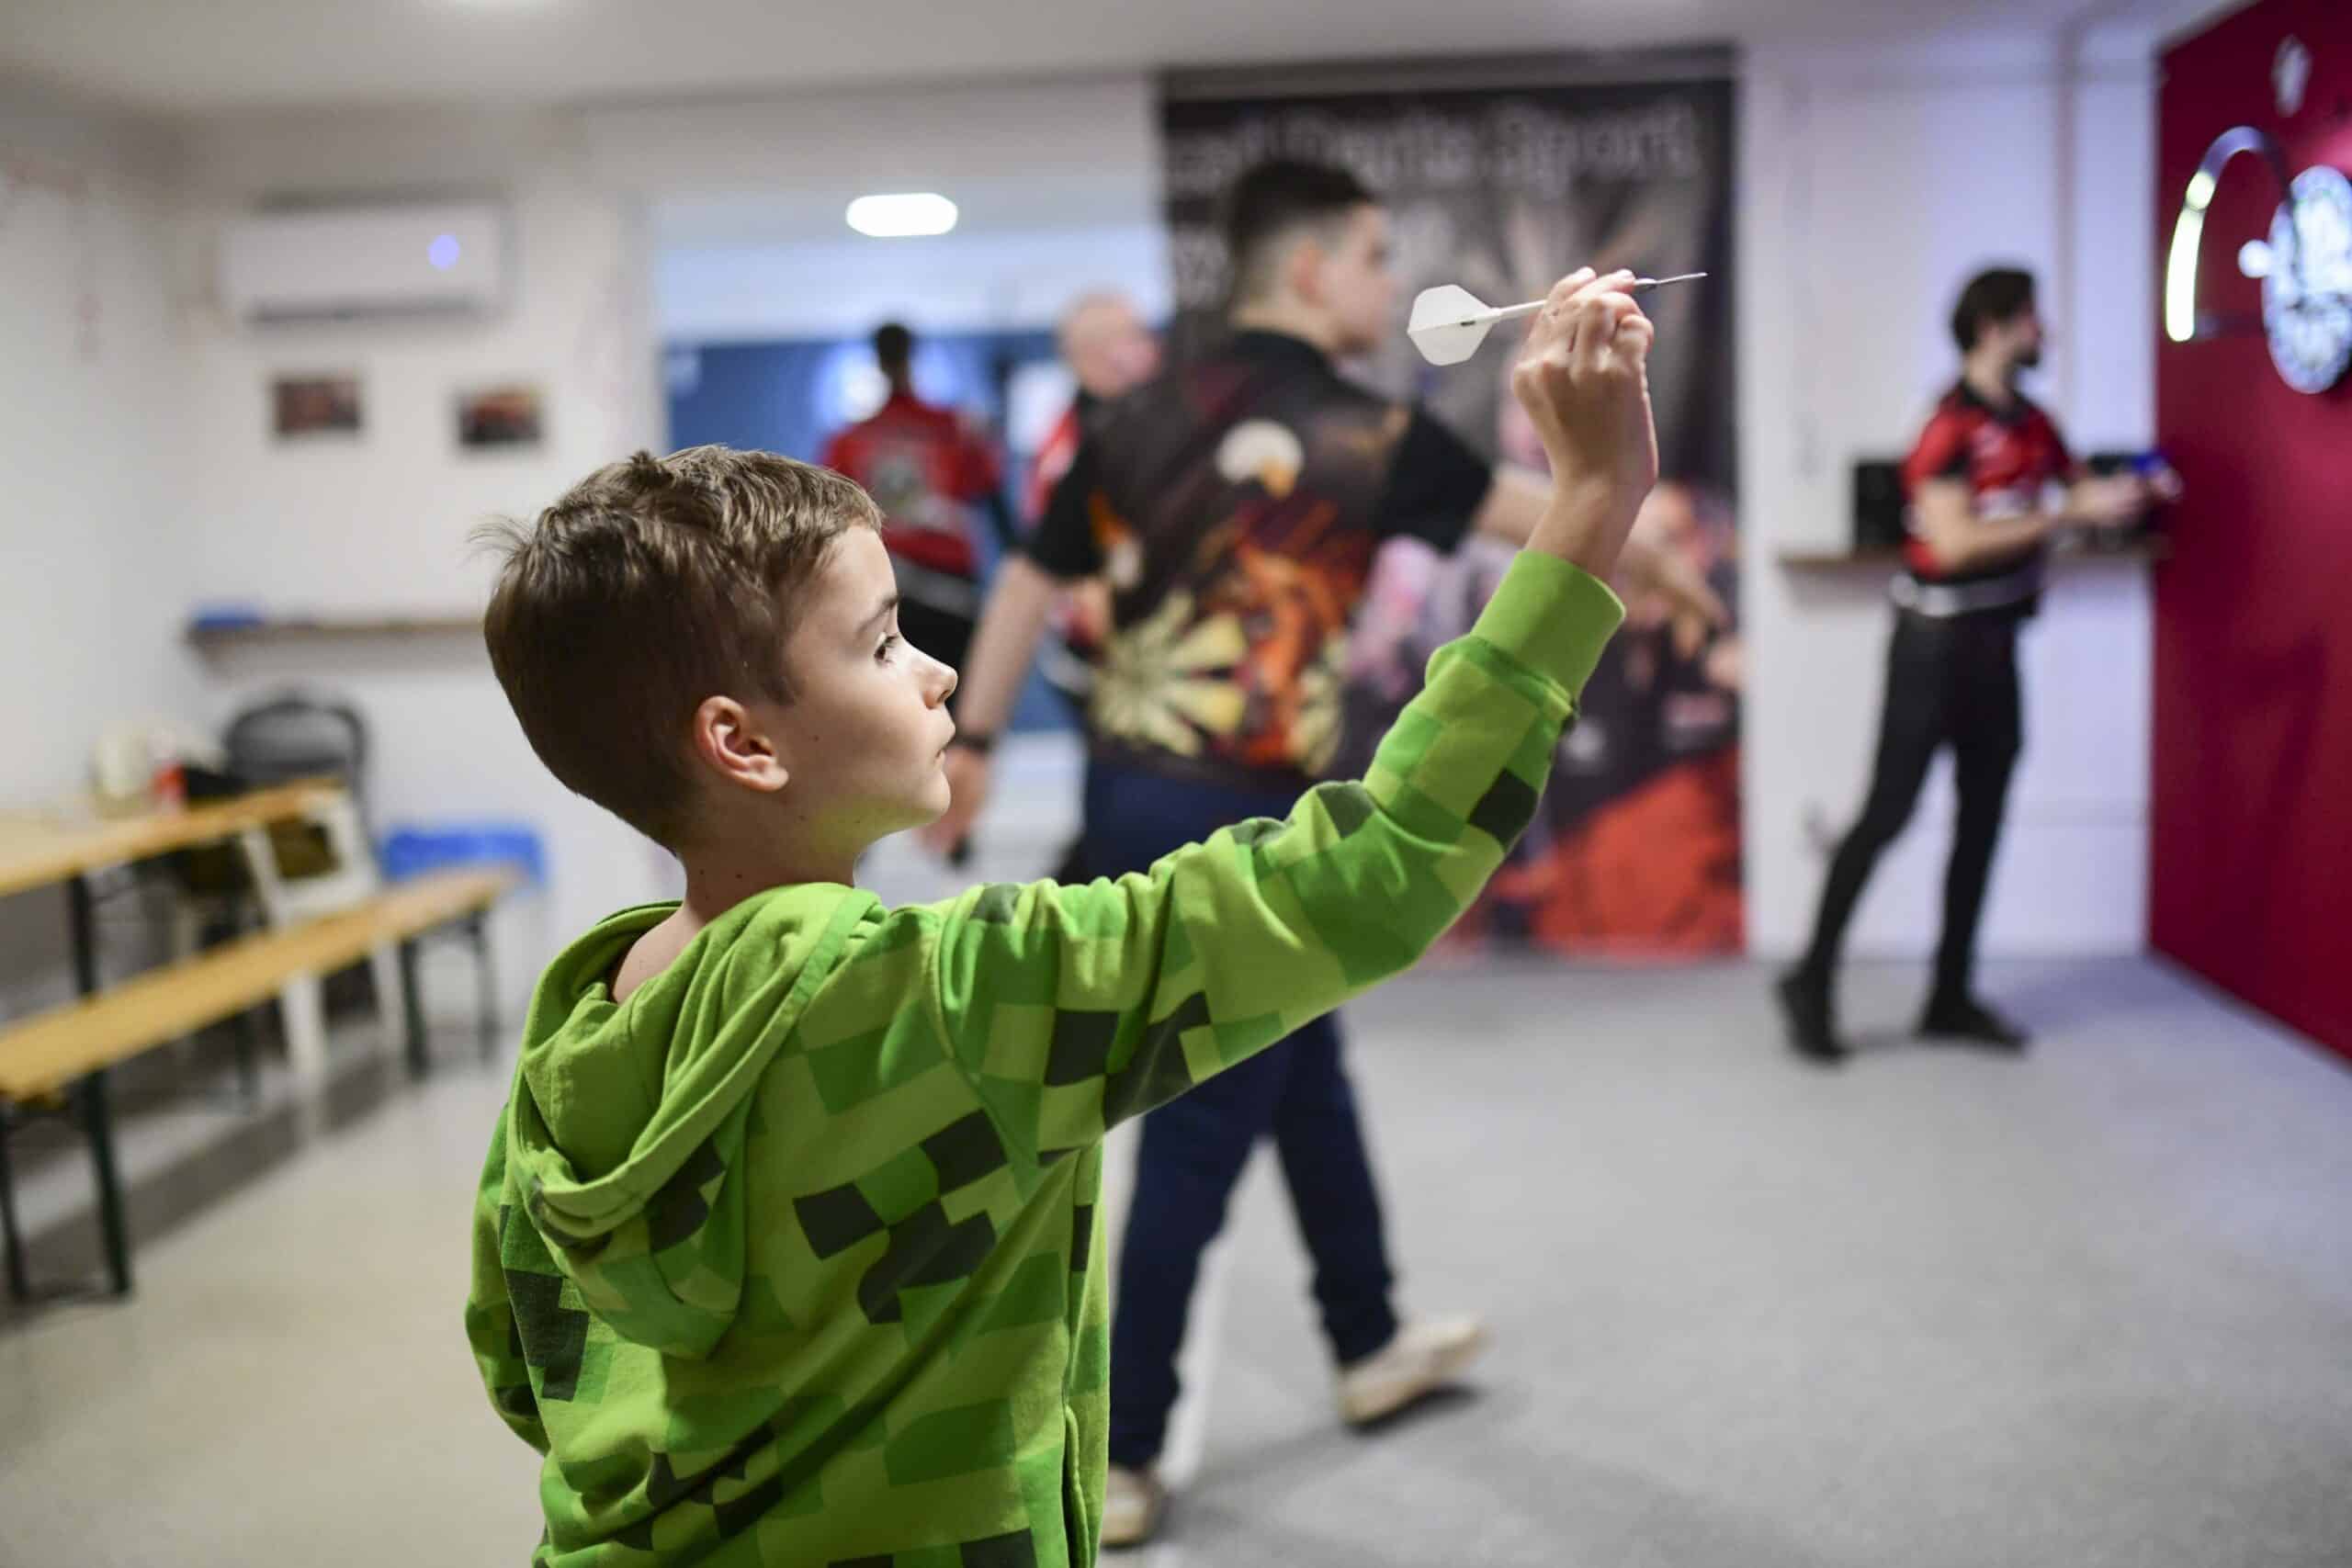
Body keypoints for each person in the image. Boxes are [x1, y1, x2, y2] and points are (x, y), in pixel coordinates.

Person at [461, 264, 1656, 1567]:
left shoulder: (571, 1043)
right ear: (742, 742)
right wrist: (1593, 499)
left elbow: (523, 1363)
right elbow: (1384, 865)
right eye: (880, 645)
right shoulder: (955, 1001)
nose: (937, 672)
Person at [921, 158, 1714, 1547]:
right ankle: (1124, 1448)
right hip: (1241, 808)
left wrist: (974, 739)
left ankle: (1365, 1337)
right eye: (1370, 255)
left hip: (1125, 791)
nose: (1388, 282)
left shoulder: (1131, 418)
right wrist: (1664, 568)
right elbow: (1557, 516)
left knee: (1306, 1076)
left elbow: (1029, 582)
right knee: (1198, 1134)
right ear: (1306, 270)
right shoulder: (1366, 431)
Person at [1775, 266, 2170, 1063]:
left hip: (1998, 645)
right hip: (1932, 647)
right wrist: (2064, 513)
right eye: (2031, 317)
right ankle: (1811, 981)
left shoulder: (2035, 423)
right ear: (1994, 326)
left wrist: (2134, 487)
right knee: (1887, 814)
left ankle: (1949, 996)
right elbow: (1952, 543)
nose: (2043, 332)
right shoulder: (1947, 426)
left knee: (1982, 822)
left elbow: (2078, 489)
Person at [820, 321, 1012, 689]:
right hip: (946, 592)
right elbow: (993, 499)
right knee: (949, 695)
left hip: (885, 591)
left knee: (893, 698)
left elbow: (830, 524)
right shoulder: (956, 429)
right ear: (913, 356)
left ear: (877, 361)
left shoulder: (849, 440)